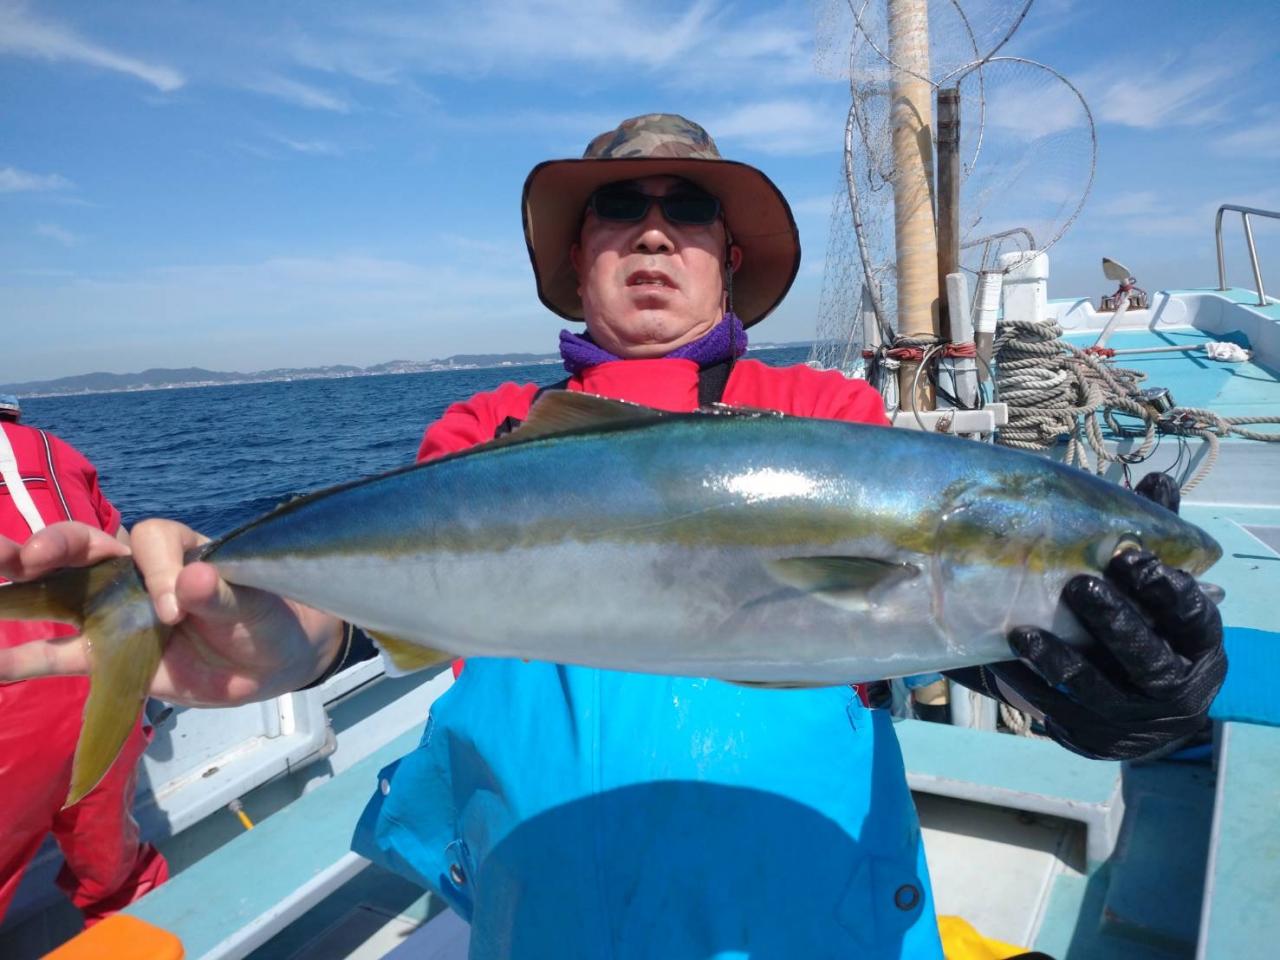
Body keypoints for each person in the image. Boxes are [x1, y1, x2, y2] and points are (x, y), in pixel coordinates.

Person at [0, 116, 1224, 958]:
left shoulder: (831, 424)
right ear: (574, 260)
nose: (650, 231)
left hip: (809, 911)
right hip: (547, 913)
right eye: (614, 211)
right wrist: (267, 632)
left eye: (684, 209)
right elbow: (356, 618)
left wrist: (1111, 695)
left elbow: (937, 627)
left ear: (726, 260)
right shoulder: (487, 435)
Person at [0, 395, 168, 927]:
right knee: (111, 863)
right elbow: (123, 554)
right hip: (108, 681)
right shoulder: (55, 450)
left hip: (12, 695)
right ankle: (130, 922)